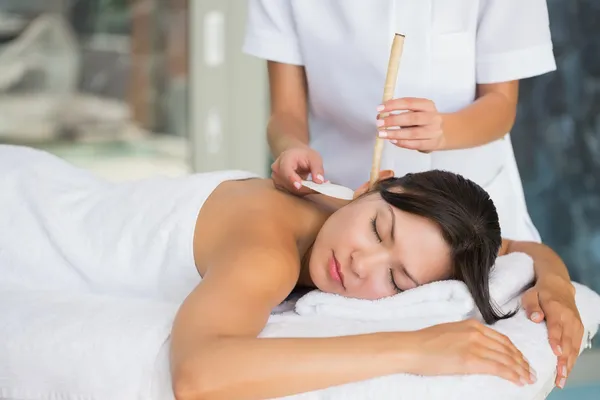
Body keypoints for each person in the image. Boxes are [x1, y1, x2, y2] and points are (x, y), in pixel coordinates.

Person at [0, 145, 581, 399]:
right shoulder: (267, 254)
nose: (361, 263)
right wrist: (414, 347)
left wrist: (555, 289)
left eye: (398, 281)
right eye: (379, 231)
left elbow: (515, 248)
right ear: (376, 184)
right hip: (21, 221)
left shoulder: (339, 211)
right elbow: (198, 376)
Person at [242, 0, 556, 243]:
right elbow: (286, 112)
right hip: (342, 202)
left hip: (469, 204)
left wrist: (445, 130)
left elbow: (501, 107)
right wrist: (291, 146)